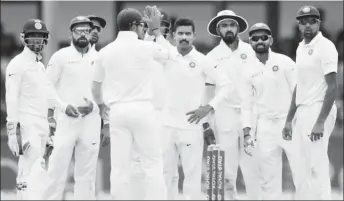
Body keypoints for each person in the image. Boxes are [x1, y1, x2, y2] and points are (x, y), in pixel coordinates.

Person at [143, 5, 232, 199]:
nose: (184, 37)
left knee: (192, 176)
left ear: (193, 36)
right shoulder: (166, 55)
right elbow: (147, 48)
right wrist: (152, 30)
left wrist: (208, 107)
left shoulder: (203, 60)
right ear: (174, 35)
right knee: (165, 173)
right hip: (166, 125)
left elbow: (226, 85)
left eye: (188, 34)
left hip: (191, 127)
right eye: (180, 33)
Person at [91, 8, 170, 200]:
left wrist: (102, 107)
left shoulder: (105, 51)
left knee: (119, 167)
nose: (144, 30)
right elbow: (167, 54)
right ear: (134, 25)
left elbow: (95, 88)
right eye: (142, 26)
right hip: (143, 108)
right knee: (152, 163)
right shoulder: (145, 47)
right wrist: (156, 31)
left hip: (117, 111)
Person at [5, 19, 76, 200]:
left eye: (40, 37)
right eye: (33, 37)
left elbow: (47, 94)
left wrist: (63, 106)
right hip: (27, 124)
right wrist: (12, 131)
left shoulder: (39, 65)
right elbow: (11, 98)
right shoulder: (17, 64)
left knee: (32, 169)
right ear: (23, 38)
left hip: (41, 123)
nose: (37, 41)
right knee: (32, 168)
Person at [42, 16, 103, 200]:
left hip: (91, 120)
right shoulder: (61, 56)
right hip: (66, 120)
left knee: (87, 174)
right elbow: (46, 86)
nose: (83, 34)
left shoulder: (100, 58)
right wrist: (63, 106)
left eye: (86, 30)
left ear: (92, 32)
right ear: (70, 33)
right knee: (56, 170)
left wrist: (94, 106)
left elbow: (108, 89)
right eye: (78, 30)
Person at [204, 10, 261, 200]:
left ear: (238, 28)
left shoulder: (252, 51)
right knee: (227, 170)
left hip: (250, 112)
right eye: (224, 25)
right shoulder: (212, 56)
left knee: (252, 167)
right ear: (218, 29)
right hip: (224, 113)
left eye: (232, 25)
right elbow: (208, 92)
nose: (228, 28)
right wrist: (207, 123)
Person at [283, 5, 338, 200]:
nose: (308, 25)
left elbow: (332, 87)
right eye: (303, 22)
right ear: (298, 25)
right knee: (300, 166)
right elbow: (300, 86)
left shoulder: (326, 47)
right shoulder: (300, 47)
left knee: (317, 165)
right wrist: (289, 119)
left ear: (318, 23)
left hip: (319, 108)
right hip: (302, 110)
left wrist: (321, 121)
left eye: (312, 21)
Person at [241, 23, 300, 199]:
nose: (260, 41)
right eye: (255, 38)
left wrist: (290, 120)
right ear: (250, 42)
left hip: (290, 123)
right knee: (268, 180)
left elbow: (299, 90)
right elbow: (247, 103)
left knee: (301, 173)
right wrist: (247, 133)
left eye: (264, 37)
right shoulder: (247, 70)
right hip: (265, 126)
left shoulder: (284, 62)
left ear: (271, 40)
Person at [129, 8, 180, 200]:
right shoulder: (137, 48)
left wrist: (157, 32)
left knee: (168, 166)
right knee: (137, 163)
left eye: (162, 26)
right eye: (147, 25)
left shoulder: (171, 50)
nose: (154, 28)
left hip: (166, 115)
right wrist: (153, 33)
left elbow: (171, 57)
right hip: (141, 111)